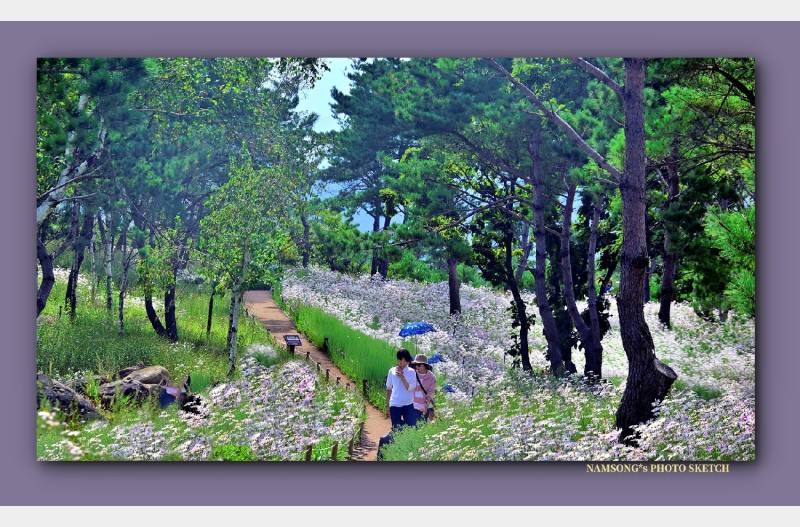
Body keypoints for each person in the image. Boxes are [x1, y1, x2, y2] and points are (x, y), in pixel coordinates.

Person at [385, 348, 417, 429]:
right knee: (396, 428)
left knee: (411, 427)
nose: (400, 362)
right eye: (399, 359)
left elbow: (410, 388)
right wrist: (387, 406)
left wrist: (402, 377)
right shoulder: (392, 371)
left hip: (408, 404)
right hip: (395, 404)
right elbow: (389, 389)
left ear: (407, 361)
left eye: (402, 360)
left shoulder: (411, 372)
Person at [411, 354, 436, 422]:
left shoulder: (431, 377)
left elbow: (431, 392)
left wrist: (426, 406)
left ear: (425, 365)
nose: (417, 366)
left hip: (424, 406)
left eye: (419, 365)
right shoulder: (413, 374)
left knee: (422, 425)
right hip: (412, 405)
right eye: (416, 364)